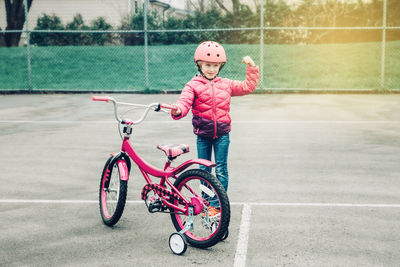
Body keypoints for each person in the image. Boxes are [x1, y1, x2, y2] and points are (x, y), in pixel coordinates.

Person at [170, 41, 259, 217]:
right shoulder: (193, 85)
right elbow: (184, 101)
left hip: (222, 135)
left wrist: (252, 68)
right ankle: (204, 203)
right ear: (199, 64)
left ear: (220, 66)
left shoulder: (226, 84)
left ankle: (216, 206)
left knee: (221, 170)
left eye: (215, 65)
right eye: (208, 65)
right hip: (203, 135)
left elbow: (247, 87)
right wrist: (178, 109)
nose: (211, 69)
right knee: (204, 171)